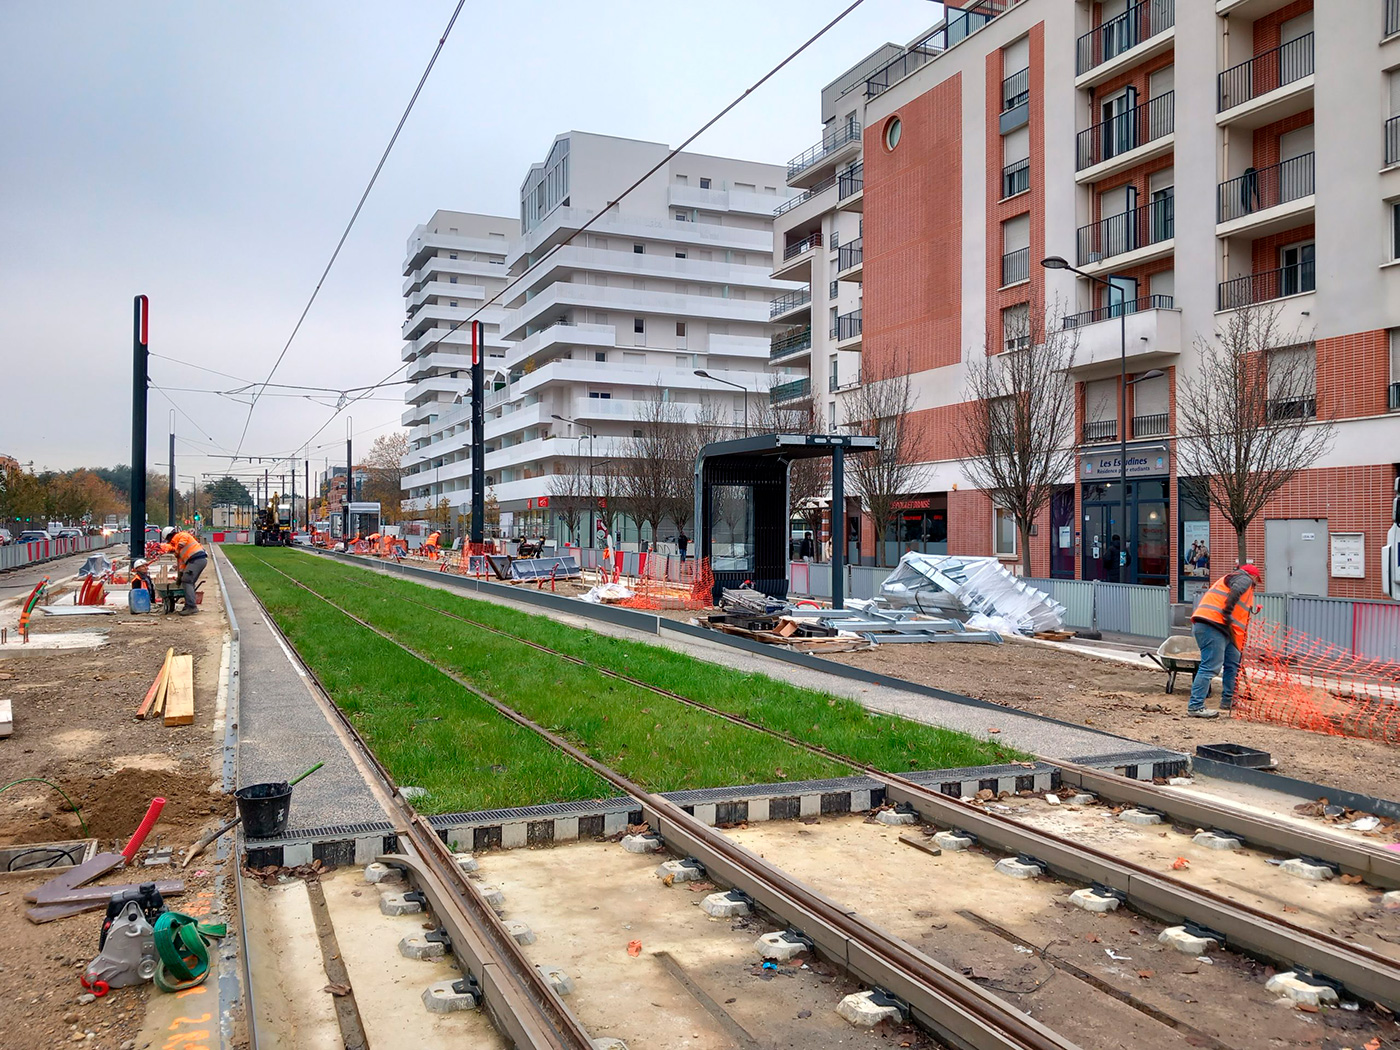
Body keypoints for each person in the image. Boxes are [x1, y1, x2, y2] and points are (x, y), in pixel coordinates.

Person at [1187, 563, 1262, 718]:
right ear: (1252, 575)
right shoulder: (1243, 579)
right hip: (1213, 624)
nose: (1255, 583)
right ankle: (1195, 706)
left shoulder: (1234, 578)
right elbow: (1235, 593)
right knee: (1210, 666)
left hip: (1223, 628)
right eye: (1256, 580)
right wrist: (1227, 612)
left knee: (1233, 663)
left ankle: (1229, 700)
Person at [160, 526, 207, 616]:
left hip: (197, 560)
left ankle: (191, 607)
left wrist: (178, 548)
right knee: (188, 581)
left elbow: (184, 538)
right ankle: (188, 605)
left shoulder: (180, 536)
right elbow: (182, 565)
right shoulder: (179, 549)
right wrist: (180, 576)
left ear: (169, 536)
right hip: (196, 561)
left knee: (187, 581)